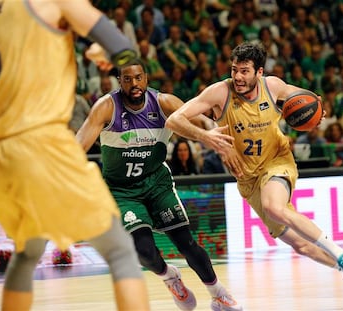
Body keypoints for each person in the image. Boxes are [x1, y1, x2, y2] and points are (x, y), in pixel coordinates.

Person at [165, 41, 343, 311]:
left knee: (274, 206)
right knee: (302, 246)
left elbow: (302, 96)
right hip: (248, 178)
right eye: (234, 70)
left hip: (277, 161)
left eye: (245, 71)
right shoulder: (220, 92)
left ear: (259, 72)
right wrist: (207, 137)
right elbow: (174, 119)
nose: (238, 77)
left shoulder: (273, 86)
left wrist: (316, 108)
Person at [0, 1, 150, 310]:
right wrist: (104, 52)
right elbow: (125, 51)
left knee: (28, 251)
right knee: (120, 251)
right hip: (36, 144)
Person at [75, 59, 242, 311]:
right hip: (122, 191)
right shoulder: (106, 107)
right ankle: (169, 277)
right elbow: (78, 146)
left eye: (138, 78)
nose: (134, 84)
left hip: (156, 184)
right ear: (119, 82)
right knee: (143, 250)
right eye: (128, 79)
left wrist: (213, 134)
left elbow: (200, 121)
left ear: (146, 79)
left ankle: (218, 293)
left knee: (186, 242)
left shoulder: (164, 103)